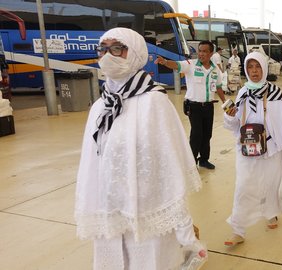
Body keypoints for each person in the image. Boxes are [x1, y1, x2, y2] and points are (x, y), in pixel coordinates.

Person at [75, 27, 207, 270]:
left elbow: (170, 169)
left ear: (135, 53)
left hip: (147, 214)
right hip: (111, 212)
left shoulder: (154, 102)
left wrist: (183, 228)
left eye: (116, 49)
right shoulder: (100, 107)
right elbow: (91, 167)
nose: (107, 56)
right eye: (102, 50)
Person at [222, 51, 282, 246]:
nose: (254, 71)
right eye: (250, 67)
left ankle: (271, 213)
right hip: (247, 149)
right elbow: (235, 124)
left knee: (271, 184)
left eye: (257, 67)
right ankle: (238, 229)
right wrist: (230, 116)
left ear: (263, 68)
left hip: (270, 149)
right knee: (243, 186)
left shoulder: (275, 93)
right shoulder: (242, 92)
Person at [156, 41, 226, 169]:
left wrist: (226, 104)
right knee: (196, 134)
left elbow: (219, 87)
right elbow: (177, 65)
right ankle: (191, 162)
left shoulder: (215, 70)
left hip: (209, 106)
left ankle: (204, 160)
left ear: (211, 53)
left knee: (207, 134)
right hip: (194, 107)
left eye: (205, 51)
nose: (201, 54)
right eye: (200, 51)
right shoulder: (191, 65)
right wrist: (165, 62)